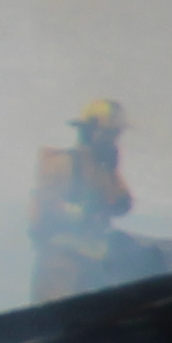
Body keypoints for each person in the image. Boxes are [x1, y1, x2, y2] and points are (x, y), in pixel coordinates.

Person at [30, 95, 133, 301]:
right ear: (89, 131)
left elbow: (122, 203)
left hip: (93, 265)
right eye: (108, 134)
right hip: (61, 268)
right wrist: (80, 212)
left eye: (115, 134)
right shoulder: (64, 164)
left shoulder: (104, 168)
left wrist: (114, 183)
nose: (113, 140)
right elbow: (45, 209)